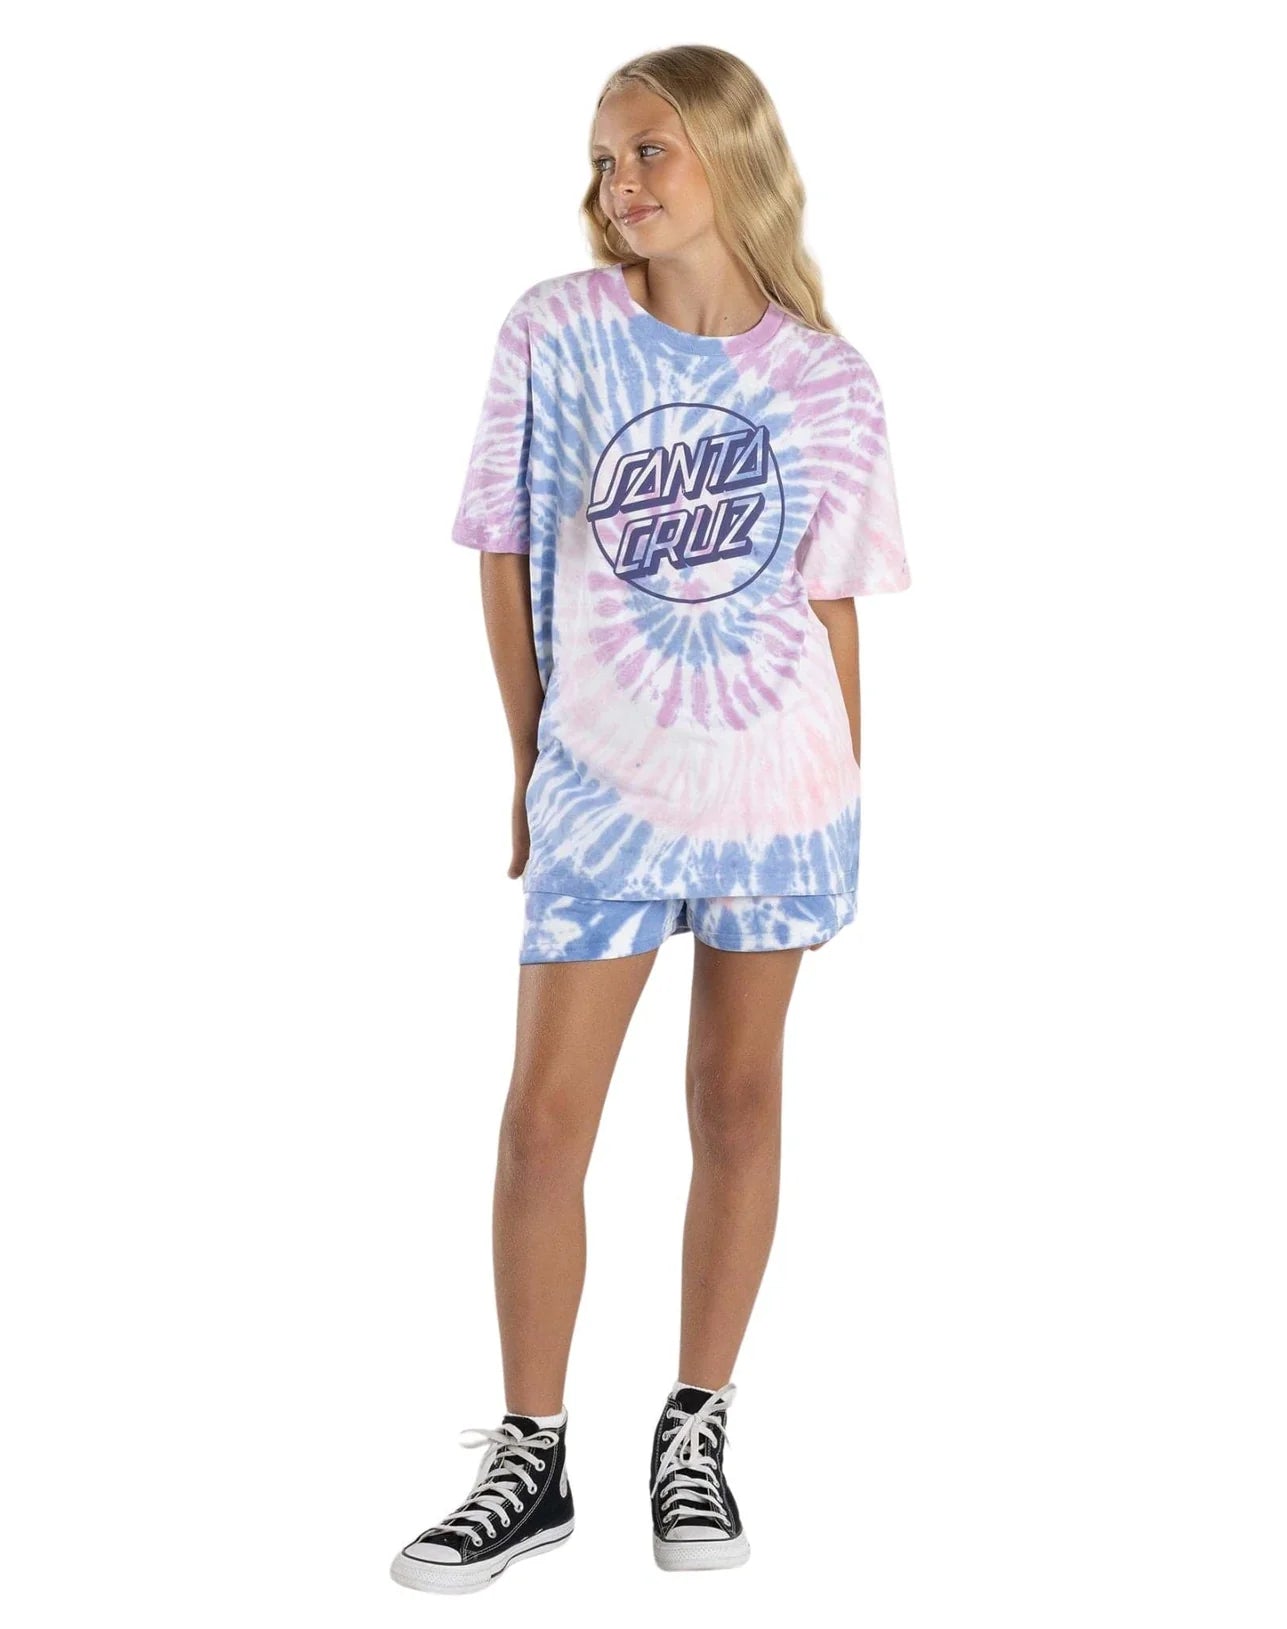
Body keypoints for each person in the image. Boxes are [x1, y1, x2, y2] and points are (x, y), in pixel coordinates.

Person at [390, 43, 911, 1595]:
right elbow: (502, 549)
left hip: (781, 797)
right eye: (606, 159)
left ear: (732, 155)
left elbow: (832, 606)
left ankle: (696, 1428)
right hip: (605, 795)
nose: (619, 185)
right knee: (544, 1122)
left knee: (737, 1101)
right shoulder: (556, 333)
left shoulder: (831, 382)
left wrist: (848, 802)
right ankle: (530, 1453)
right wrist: (527, 760)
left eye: (649, 152)